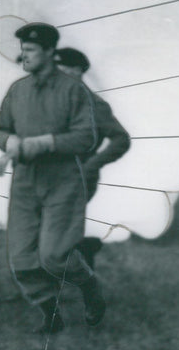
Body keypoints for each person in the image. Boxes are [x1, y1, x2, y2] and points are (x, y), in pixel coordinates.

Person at [0, 22, 107, 333]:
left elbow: (85, 137)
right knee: (21, 257)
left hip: (62, 182)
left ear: (49, 52)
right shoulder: (17, 90)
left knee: (54, 257)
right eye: (23, 50)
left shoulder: (73, 91)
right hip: (25, 182)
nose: (24, 56)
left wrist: (44, 143)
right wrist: (9, 143)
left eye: (30, 50)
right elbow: (1, 128)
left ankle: (90, 289)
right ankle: (50, 314)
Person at [54, 47, 131, 267]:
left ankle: (75, 269)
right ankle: (84, 249)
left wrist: (91, 166)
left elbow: (121, 139)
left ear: (77, 71)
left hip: (80, 177)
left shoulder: (95, 106)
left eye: (62, 69)